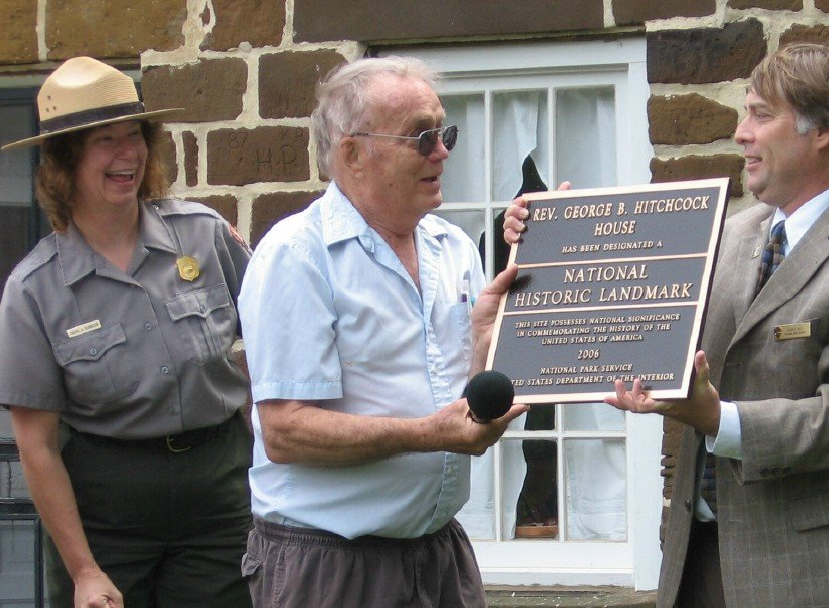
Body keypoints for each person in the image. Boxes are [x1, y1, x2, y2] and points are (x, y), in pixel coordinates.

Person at [504, 41, 829, 607]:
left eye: (761, 115)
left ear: (824, 130)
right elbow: (639, 311)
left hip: (821, 576)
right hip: (701, 560)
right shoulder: (734, 232)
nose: (741, 132)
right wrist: (550, 240)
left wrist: (718, 418)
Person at [237, 56, 528, 608]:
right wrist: (430, 434)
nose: (441, 151)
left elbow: (459, 402)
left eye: (445, 133)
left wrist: (489, 338)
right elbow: (285, 432)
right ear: (353, 152)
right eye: (421, 136)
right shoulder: (298, 255)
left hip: (438, 553)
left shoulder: (454, 248)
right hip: (330, 565)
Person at [0, 57, 253, 608]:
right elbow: (37, 446)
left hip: (218, 494)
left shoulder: (204, 236)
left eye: (135, 135)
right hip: (104, 512)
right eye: (105, 140)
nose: (128, 154)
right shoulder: (34, 290)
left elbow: (275, 339)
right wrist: (84, 570)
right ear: (65, 161)